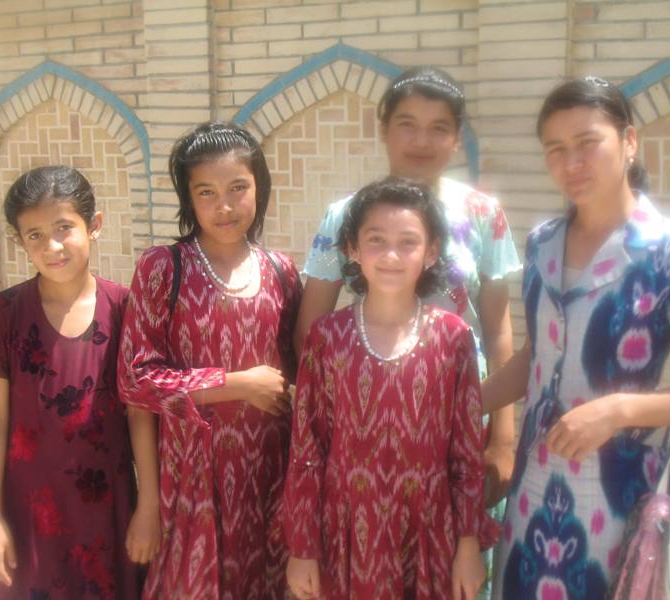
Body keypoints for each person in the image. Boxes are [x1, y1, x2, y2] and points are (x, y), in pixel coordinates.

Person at [484, 76, 670, 599]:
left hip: (616, 497)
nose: (571, 162)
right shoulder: (544, 242)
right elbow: (537, 356)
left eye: (587, 143)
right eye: (555, 149)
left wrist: (617, 409)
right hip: (531, 491)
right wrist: (459, 402)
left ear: (629, 141)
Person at [296, 69, 521, 594]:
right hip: (367, 419)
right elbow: (313, 325)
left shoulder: (483, 214)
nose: (422, 140)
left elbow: (496, 321)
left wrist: (503, 436)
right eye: (407, 124)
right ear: (383, 128)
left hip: (463, 413)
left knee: (455, 565)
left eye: (439, 127)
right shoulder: (345, 215)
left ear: (458, 135)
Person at [284, 177, 498, 600]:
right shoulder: (327, 338)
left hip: (430, 531)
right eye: (377, 240)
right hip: (348, 532)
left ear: (431, 251)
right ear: (352, 248)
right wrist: (302, 549)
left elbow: (466, 452)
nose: (392, 256)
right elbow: (307, 449)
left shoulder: (453, 339)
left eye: (408, 242)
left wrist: (468, 545)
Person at [118, 122, 303, 599]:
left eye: (238, 188)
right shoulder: (163, 267)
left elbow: (296, 372)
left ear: (259, 187)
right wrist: (237, 384)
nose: (224, 206)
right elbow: (136, 380)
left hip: (267, 473)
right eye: (207, 192)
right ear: (188, 198)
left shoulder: (281, 270)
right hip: (191, 478)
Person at [0, 165, 140, 599]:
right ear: (20, 242)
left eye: (64, 228)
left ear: (94, 225)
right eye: (34, 235)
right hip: (31, 510)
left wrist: (151, 508)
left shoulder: (125, 308)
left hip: (110, 508)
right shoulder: (3, 313)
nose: (52, 246)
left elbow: (140, 415)